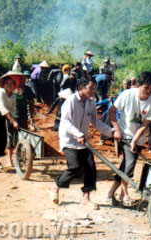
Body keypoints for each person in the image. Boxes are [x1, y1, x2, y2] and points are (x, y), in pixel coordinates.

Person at [47, 76, 114, 210]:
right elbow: (65, 122)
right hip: (69, 139)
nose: (93, 91)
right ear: (82, 87)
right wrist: (77, 134)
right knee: (75, 166)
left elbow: (96, 122)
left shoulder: (91, 102)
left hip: (83, 140)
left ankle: (86, 198)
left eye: (94, 88)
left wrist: (111, 132)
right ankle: (55, 187)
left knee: (90, 167)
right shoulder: (71, 101)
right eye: (90, 88)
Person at [107, 71, 151, 206]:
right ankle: (124, 196)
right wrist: (117, 130)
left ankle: (111, 192)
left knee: (126, 165)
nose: (148, 91)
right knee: (129, 166)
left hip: (138, 138)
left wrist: (135, 140)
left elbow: (145, 124)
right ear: (138, 85)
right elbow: (112, 111)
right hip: (124, 134)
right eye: (145, 87)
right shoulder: (127, 95)